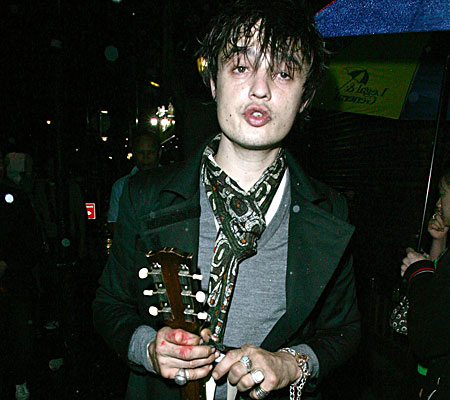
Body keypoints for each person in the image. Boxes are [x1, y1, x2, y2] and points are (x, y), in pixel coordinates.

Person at [93, 1, 360, 399]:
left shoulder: (329, 211)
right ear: (214, 83)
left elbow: (344, 330)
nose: (260, 88)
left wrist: (291, 363)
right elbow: (109, 304)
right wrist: (148, 348)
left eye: (283, 72)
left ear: (305, 96)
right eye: (240, 67)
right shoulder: (145, 196)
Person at [400, 168, 450, 400]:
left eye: (443, 193)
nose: (438, 202)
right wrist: (439, 240)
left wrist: (418, 272)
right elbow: (439, 277)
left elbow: (431, 331)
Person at [0, 151, 43, 399]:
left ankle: (19, 378)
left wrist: (7, 262)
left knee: (18, 331)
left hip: (14, 280)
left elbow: (30, 241)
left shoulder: (15, 198)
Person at [107, 131, 162, 232]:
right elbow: (113, 223)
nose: (146, 157)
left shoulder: (172, 182)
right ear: (134, 153)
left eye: (150, 152)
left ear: (159, 153)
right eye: (141, 152)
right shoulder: (121, 186)